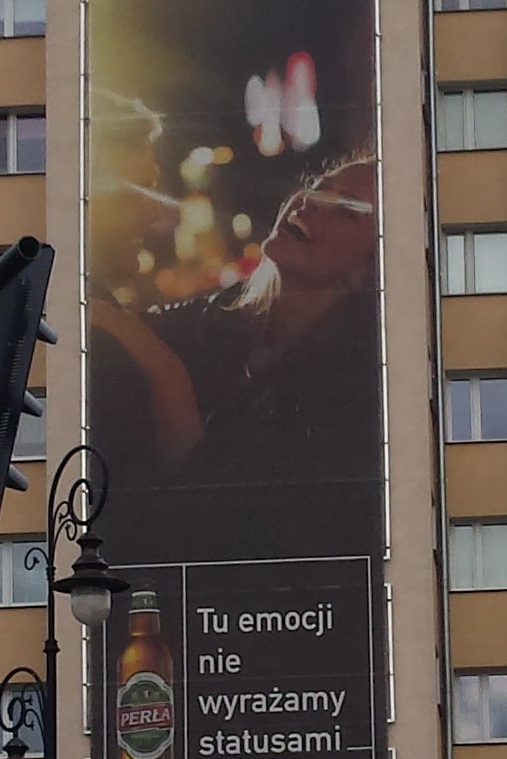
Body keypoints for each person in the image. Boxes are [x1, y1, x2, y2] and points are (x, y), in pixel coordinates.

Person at [91, 151, 381, 510]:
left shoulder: (347, 396)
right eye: (319, 186)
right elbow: (116, 328)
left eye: (347, 210)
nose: (313, 202)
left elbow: (211, 512)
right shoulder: (218, 315)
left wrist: (167, 375)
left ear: (370, 273)